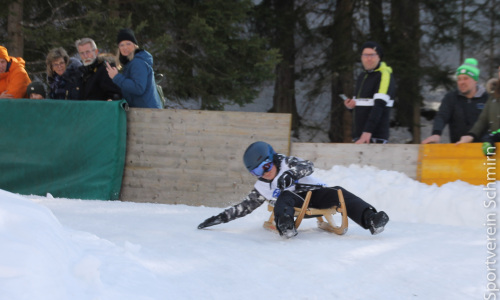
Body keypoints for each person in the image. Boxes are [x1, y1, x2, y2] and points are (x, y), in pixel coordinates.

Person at [197, 141, 389, 238]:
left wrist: (292, 174)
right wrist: (218, 219)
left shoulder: (287, 162)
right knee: (284, 196)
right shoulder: (262, 186)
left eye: (265, 166)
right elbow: (243, 208)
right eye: (257, 172)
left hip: (315, 195)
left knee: (339, 192)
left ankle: (371, 219)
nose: (264, 173)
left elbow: (309, 166)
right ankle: (286, 226)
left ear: (271, 158)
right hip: (293, 207)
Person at [422, 58, 488, 144]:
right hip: (458, 148)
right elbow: (442, 116)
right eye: (459, 79)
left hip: (485, 149)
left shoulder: (487, 98)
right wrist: (436, 133)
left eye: (465, 78)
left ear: (475, 80)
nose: (461, 82)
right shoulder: (451, 98)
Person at [343, 41, 396, 144]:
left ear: (379, 57)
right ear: (361, 57)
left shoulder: (384, 75)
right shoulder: (362, 76)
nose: (369, 58)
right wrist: (350, 106)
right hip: (359, 136)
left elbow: (379, 106)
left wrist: (368, 131)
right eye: (365, 55)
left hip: (375, 136)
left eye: (372, 55)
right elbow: (361, 108)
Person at [105, 28, 162, 109]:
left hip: (148, 113)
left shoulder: (137, 63)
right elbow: (130, 92)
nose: (125, 47)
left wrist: (116, 77)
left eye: (128, 44)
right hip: (142, 111)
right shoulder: (129, 63)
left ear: (135, 45)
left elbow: (138, 88)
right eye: (122, 45)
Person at [456, 64, 500, 155]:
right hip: (495, 141)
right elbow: (482, 120)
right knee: (486, 143)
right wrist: (471, 135)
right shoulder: (493, 97)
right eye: (499, 71)